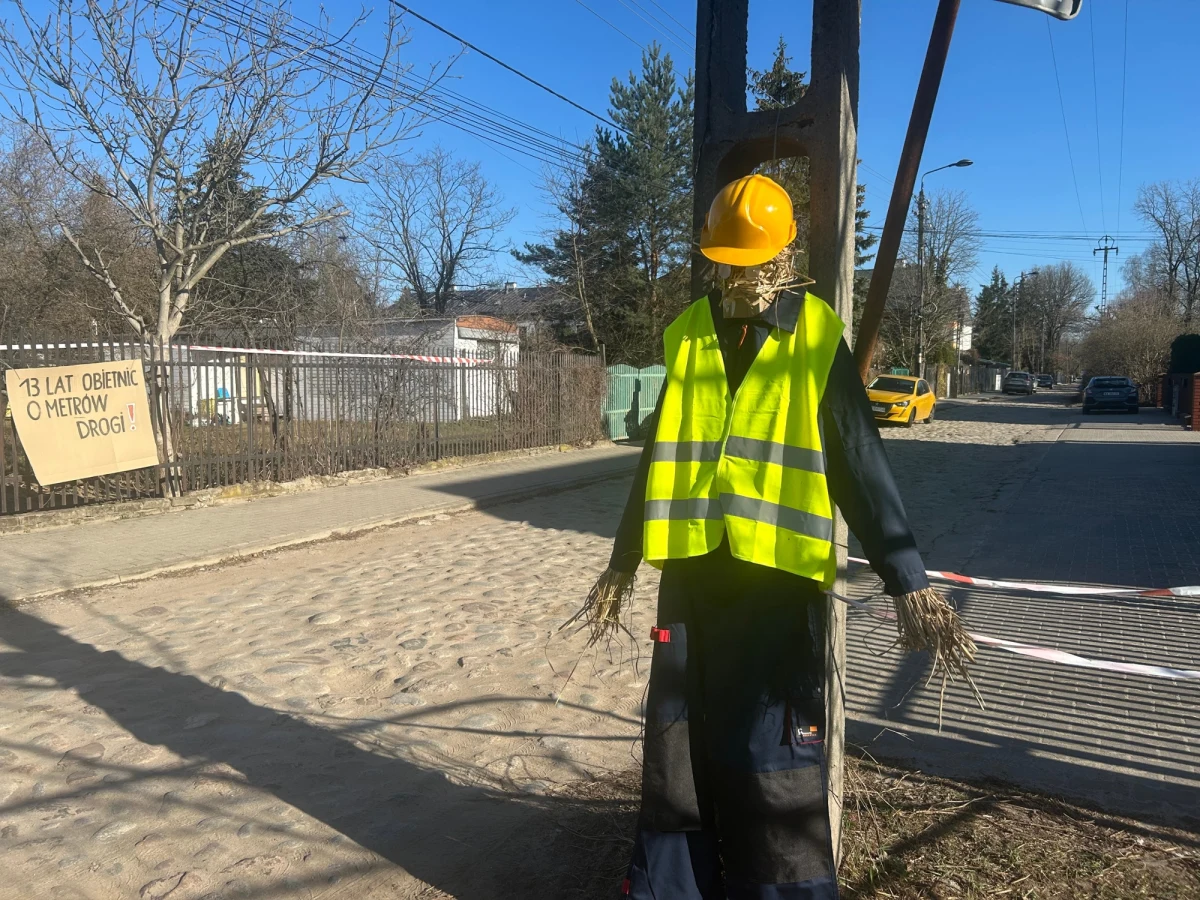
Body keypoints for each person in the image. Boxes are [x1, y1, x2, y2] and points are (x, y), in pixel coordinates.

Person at [573, 174, 973, 899]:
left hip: (781, 593)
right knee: (678, 749)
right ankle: (673, 889)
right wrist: (622, 563)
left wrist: (907, 577)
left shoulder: (815, 334)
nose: (741, 273)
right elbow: (657, 457)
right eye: (729, 259)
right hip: (691, 583)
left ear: (786, 257)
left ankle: (781, 892)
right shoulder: (689, 331)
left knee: (774, 760)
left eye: (751, 259)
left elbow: (860, 461)